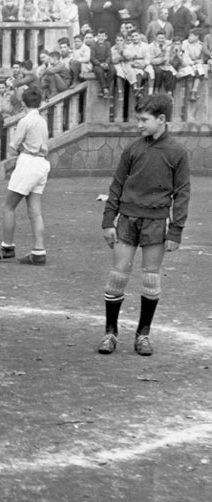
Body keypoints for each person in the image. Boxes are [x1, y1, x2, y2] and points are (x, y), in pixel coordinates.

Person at [97, 94, 190, 356]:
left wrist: (176, 229)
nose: (139, 125)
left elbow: (182, 193)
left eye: (144, 120)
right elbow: (117, 184)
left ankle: (143, 335)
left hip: (156, 223)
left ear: (161, 119)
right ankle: (110, 333)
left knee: (150, 278)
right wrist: (108, 219)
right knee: (117, 276)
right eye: (138, 119)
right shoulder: (133, 149)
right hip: (127, 220)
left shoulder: (177, 152)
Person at [0, 87, 51, 266]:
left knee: (8, 206)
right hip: (42, 164)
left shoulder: (25, 121)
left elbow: (13, 147)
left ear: (23, 103)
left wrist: (20, 148)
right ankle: (39, 250)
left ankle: (7, 247)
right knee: (35, 211)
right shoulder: (42, 121)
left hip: (28, 162)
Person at [178, 28, 208, 102]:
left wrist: (199, 61)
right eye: (189, 36)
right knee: (190, 72)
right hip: (186, 63)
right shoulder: (185, 43)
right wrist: (192, 63)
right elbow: (185, 56)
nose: (189, 37)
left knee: (200, 70)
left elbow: (202, 57)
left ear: (197, 37)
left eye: (191, 36)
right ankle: (190, 93)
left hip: (195, 63)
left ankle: (193, 91)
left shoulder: (201, 45)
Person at [92, 29, 118, 97]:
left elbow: (109, 56)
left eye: (102, 36)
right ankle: (105, 88)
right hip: (98, 63)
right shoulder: (93, 45)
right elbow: (93, 57)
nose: (101, 38)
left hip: (107, 62)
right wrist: (99, 64)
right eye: (99, 36)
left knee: (113, 70)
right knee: (99, 71)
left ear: (106, 37)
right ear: (97, 37)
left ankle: (103, 89)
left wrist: (106, 63)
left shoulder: (108, 44)